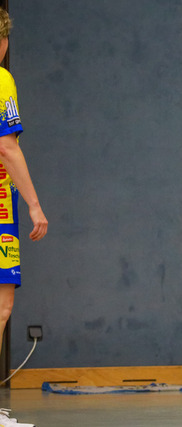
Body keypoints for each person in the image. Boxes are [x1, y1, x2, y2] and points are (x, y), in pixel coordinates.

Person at [0, 9, 48, 427]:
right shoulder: (1, 80)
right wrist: (33, 203)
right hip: (0, 205)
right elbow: (7, 146)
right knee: (1, 304)